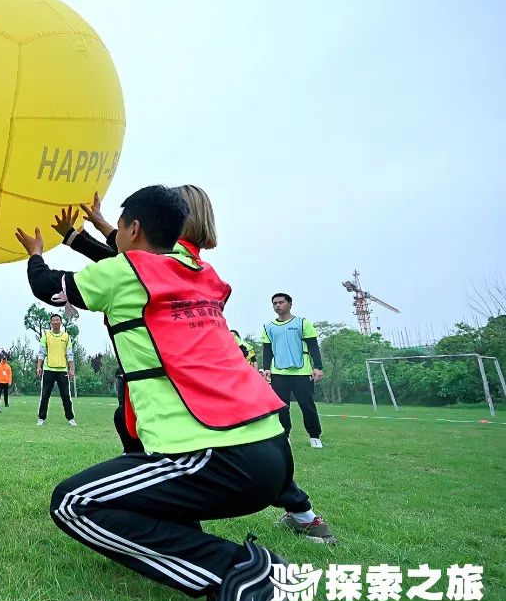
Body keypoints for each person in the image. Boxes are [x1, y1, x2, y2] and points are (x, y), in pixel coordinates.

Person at [18, 185, 293, 601]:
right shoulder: (202, 273)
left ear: (134, 228)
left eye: (121, 227)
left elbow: (50, 289)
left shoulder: (126, 271)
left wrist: (38, 254)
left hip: (212, 451)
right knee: (141, 489)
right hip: (272, 448)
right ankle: (240, 563)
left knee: (73, 504)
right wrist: (92, 233)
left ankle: (239, 572)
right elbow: (139, 266)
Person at [59, 186, 337, 546]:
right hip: (198, 367)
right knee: (240, 438)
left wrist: (75, 238)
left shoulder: (169, 257)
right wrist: (94, 226)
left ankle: (165, 521)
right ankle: (304, 515)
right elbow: (121, 254)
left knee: (162, 443)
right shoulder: (191, 259)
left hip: (172, 366)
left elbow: (122, 261)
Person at [261, 293, 326, 448]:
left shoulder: (302, 323)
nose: (277, 305)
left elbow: (313, 346)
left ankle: (314, 436)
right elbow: (267, 350)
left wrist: (318, 367)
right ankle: (285, 436)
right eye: (275, 303)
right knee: (282, 407)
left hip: (302, 373)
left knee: (307, 406)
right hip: (279, 374)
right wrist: (266, 368)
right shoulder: (268, 327)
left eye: (281, 302)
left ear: (290, 304)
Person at [36, 314, 76, 426]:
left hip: (62, 370)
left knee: (66, 396)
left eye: (57, 320)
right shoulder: (46, 335)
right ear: (51, 323)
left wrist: (71, 370)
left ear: (61, 322)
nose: (56, 322)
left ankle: (70, 418)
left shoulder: (66, 336)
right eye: (53, 320)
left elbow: (70, 354)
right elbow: (41, 353)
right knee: (45, 395)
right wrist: (39, 367)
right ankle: (41, 418)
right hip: (48, 369)